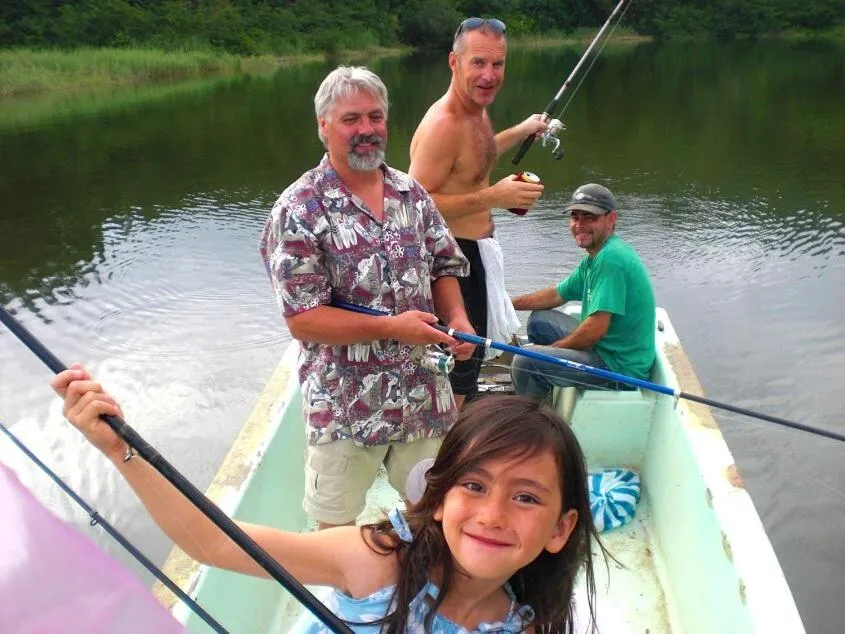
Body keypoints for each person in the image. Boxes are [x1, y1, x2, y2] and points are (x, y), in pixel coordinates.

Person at [51, 367, 601, 633]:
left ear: (560, 528)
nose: (491, 514)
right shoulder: (383, 560)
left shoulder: (525, 625)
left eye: (526, 497)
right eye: (474, 486)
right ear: (437, 499)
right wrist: (123, 450)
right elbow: (215, 543)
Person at [258, 66, 476, 529]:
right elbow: (303, 318)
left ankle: (421, 587)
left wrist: (458, 318)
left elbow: (444, 264)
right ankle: (345, 599)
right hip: (343, 408)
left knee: (435, 512)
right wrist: (390, 327)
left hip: (423, 397)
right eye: (350, 119)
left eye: (375, 117)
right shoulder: (298, 210)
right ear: (323, 126)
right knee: (334, 526)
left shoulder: (411, 194)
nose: (366, 130)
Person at [409, 17, 547, 409]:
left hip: (477, 253)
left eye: (497, 64)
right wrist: (493, 197)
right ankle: (450, 453)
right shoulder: (444, 125)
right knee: (459, 371)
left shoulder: (477, 110)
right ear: (454, 62)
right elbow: (415, 205)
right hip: (452, 261)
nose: (489, 75)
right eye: (478, 63)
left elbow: (477, 157)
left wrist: (522, 130)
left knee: (472, 359)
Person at [510, 183, 656, 401]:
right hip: (603, 349)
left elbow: (594, 331)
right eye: (575, 217)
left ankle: (536, 421)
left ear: (611, 219)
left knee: (526, 361)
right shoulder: (597, 256)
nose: (580, 225)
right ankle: (544, 392)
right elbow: (556, 294)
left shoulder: (611, 259)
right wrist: (507, 303)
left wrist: (551, 351)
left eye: (590, 217)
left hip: (618, 370)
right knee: (539, 320)